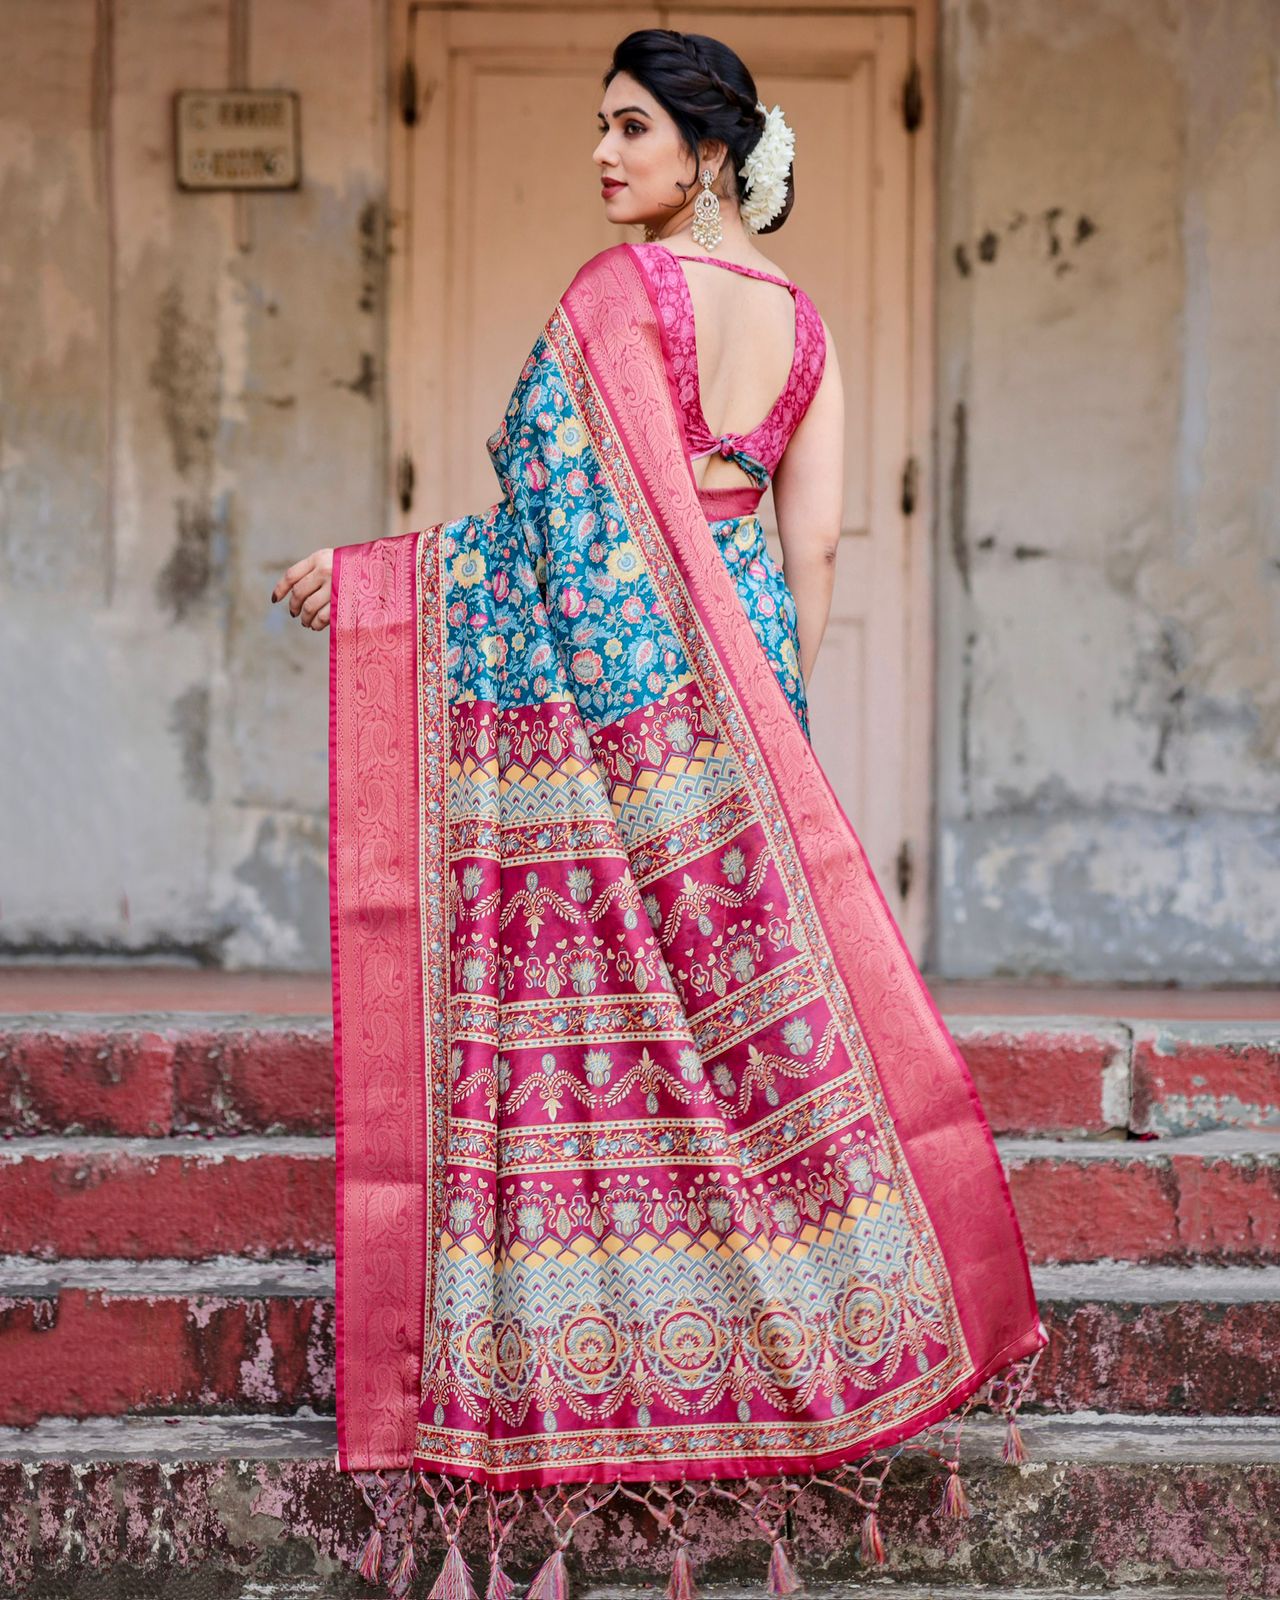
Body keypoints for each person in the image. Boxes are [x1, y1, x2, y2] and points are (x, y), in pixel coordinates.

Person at [272, 28, 1047, 1599]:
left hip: (617, 689)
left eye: (631, 130)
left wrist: (385, 582)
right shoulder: (806, 325)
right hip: (747, 668)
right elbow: (811, 545)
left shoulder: (616, 302)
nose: (603, 157)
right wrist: (764, 712)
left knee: (609, 1002)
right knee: (741, 1015)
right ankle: (826, 1339)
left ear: (706, 149)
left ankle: (601, 1350)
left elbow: (547, 535)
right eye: (600, 130)